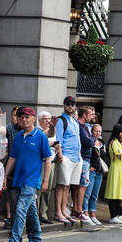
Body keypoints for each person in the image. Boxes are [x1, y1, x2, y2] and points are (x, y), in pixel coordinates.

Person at [2, 107, 51, 242]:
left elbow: (47, 159)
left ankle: (13, 241)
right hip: (18, 180)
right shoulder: (18, 137)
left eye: (27, 117)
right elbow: (12, 158)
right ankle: (36, 240)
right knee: (30, 212)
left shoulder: (40, 136)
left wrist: (45, 181)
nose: (24, 119)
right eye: (22, 117)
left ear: (33, 118)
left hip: (32, 180)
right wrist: (5, 176)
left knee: (21, 210)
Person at [54, 96, 82, 225]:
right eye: (68, 104)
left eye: (72, 104)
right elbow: (58, 139)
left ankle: (64, 211)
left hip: (76, 157)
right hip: (65, 156)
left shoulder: (75, 121)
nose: (70, 106)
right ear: (64, 105)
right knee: (62, 185)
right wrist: (60, 155)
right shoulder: (61, 121)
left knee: (68, 186)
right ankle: (58, 212)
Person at [104, 124, 122, 224]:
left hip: (121, 169)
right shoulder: (114, 143)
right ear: (119, 133)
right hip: (116, 169)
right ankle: (113, 216)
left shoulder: (119, 143)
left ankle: (118, 214)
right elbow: (120, 155)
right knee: (114, 192)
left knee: (119, 192)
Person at [72, 106, 97, 225]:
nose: (92, 116)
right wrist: (93, 139)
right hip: (83, 158)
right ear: (84, 115)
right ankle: (79, 210)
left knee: (80, 185)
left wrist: (91, 139)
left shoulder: (85, 127)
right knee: (83, 185)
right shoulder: (81, 127)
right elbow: (88, 142)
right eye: (91, 114)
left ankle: (77, 210)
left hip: (85, 158)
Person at [36, 111, 61, 224]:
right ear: (39, 120)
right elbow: (47, 138)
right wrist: (53, 143)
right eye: (45, 119)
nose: (47, 121)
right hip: (41, 163)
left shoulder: (53, 130)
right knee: (39, 189)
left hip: (51, 163)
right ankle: (35, 214)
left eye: (49, 119)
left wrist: (59, 153)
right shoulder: (37, 130)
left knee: (49, 188)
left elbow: (56, 143)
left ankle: (43, 213)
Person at [83, 124, 106, 225]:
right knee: (87, 194)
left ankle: (93, 215)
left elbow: (104, 157)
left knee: (95, 195)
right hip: (91, 171)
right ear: (91, 131)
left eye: (99, 131)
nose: (97, 133)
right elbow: (87, 155)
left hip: (99, 171)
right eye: (95, 131)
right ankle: (85, 214)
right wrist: (90, 167)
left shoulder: (102, 142)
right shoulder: (89, 141)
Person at [3, 106, 22, 229]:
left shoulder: (28, 130)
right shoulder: (9, 128)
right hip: (11, 164)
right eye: (15, 115)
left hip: (23, 167)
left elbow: (47, 135)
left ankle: (19, 220)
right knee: (10, 194)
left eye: (19, 115)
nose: (17, 118)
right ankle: (9, 217)